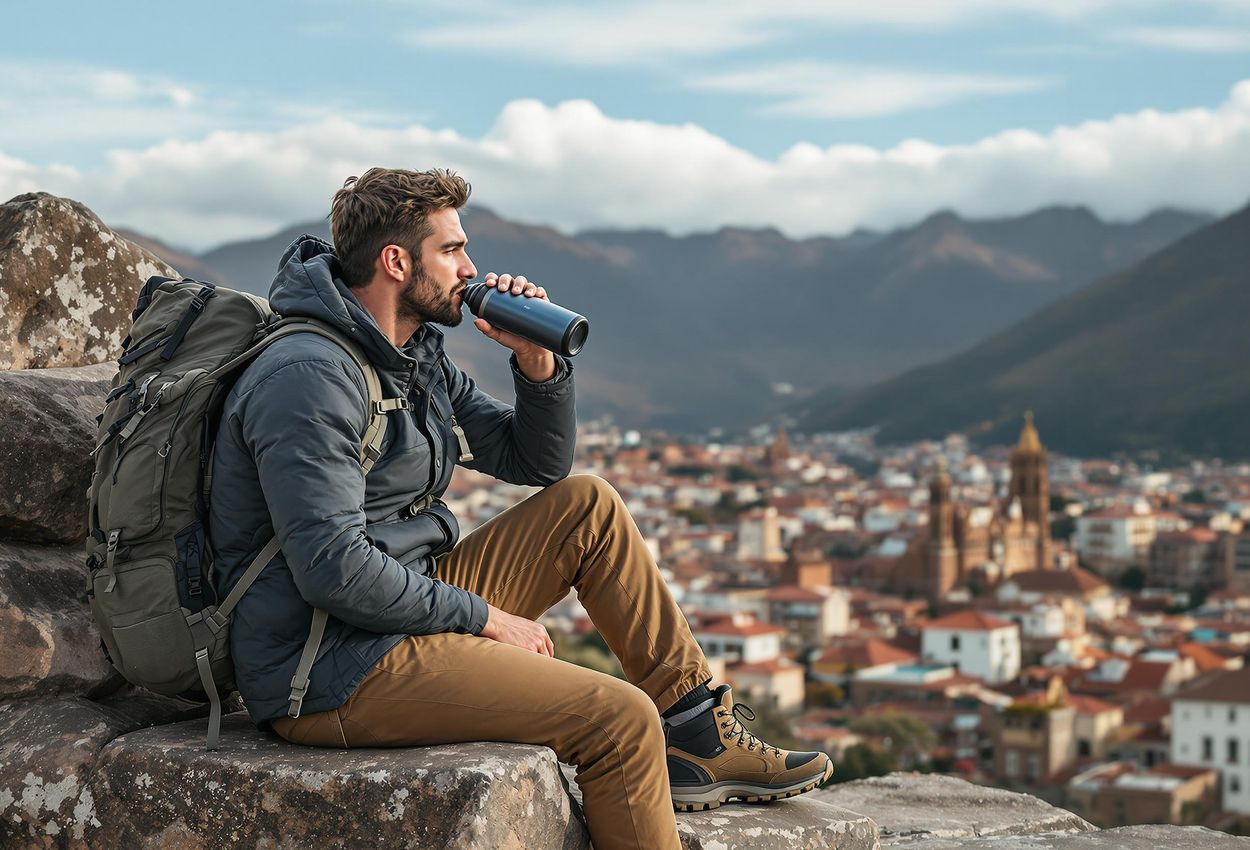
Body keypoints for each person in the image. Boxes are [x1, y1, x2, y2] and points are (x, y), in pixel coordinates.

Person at [207, 167, 832, 850]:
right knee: (618, 717)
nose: (471, 268)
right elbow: (332, 569)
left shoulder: (410, 357)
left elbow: (535, 464)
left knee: (586, 505)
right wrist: (485, 618)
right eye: (451, 250)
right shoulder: (310, 375)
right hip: (328, 664)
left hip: (393, 617)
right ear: (395, 261)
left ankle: (698, 733)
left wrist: (537, 362)